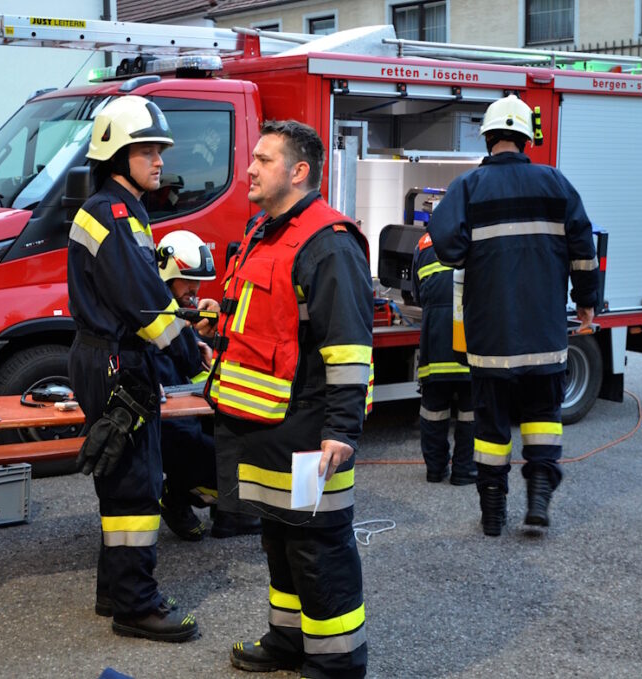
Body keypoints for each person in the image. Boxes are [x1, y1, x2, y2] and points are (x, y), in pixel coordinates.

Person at [207, 120, 372, 678]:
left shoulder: (330, 243)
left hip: (309, 433)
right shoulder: (266, 231)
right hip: (269, 427)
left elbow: (348, 347)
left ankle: (337, 663)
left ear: (299, 172)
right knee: (280, 540)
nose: (249, 169)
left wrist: (341, 430)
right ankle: (287, 640)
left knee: (318, 548)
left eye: (263, 160)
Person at [67, 94, 208, 642]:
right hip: (117, 360)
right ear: (115, 155)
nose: (158, 160)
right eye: (146, 150)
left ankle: (115, 591)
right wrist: (190, 352)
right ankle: (136, 606)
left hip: (104, 355)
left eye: (159, 150)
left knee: (119, 476)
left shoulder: (113, 209)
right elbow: (146, 302)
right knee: (135, 487)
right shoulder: (117, 214)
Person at [427, 94, 599, 537]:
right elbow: (584, 247)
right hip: (544, 331)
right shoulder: (556, 183)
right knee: (543, 418)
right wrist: (586, 299)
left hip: (491, 336)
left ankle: (492, 515)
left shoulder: (468, 187)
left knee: (490, 427)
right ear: (526, 139)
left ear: (487, 137)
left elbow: (447, 247)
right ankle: (538, 498)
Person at [152, 230, 263, 541]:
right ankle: (177, 495)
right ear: (166, 275)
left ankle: (223, 510)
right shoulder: (155, 316)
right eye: (188, 281)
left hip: (195, 414)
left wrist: (210, 336)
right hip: (171, 424)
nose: (195, 290)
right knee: (226, 463)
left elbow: (199, 371)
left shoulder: (179, 314)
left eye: (198, 282)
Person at [411, 229, 476, 486]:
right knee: (471, 412)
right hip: (468, 339)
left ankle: (435, 470)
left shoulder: (424, 243)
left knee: (433, 411)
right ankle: (464, 471)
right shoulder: (478, 234)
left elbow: (418, 295)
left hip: (435, 341)